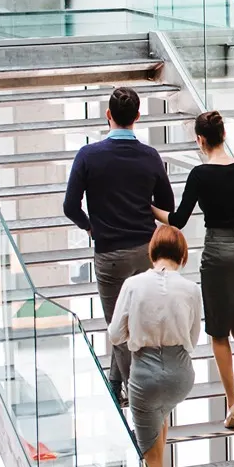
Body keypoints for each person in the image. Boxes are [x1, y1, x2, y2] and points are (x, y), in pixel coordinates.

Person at [64, 87, 175, 405]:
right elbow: (166, 204)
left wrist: (90, 226)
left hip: (109, 253)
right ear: (137, 118)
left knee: (118, 325)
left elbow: (71, 206)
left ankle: (133, 391)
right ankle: (116, 384)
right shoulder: (150, 156)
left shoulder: (88, 156)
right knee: (137, 320)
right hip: (144, 251)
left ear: (108, 115)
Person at [152, 111, 234, 429]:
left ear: (200, 140)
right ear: (224, 134)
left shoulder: (200, 175)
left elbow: (178, 220)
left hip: (218, 253)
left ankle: (232, 405)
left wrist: (148, 208)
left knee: (218, 332)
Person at [108, 225, 202, 467]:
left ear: (152, 252)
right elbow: (194, 338)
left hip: (145, 374)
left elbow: (114, 335)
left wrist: (138, 332)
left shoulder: (133, 285)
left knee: (152, 460)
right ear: (182, 255)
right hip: (181, 375)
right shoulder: (191, 289)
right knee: (160, 418)